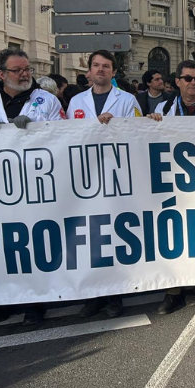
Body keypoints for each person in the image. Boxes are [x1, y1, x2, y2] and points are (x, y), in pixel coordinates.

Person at [0, 50, 62, 324]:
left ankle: (35, 301)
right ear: (2, 74)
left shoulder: (47, 100)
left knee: (32, 241)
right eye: (17, 70)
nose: (24, 74)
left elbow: (63, 134)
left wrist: (37, 128)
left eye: (27, 69)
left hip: (34, 181)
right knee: (2, 241)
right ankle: (5, 298)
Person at [69, 51, 142, 319]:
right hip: (86, 177)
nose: (100, 70)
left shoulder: (128, 100)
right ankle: (94, 295)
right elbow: (66, 135)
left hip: (116, 175)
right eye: (96, 65)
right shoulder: (76, 101)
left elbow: (139, 133)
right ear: (88, 71)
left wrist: (116, 126)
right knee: (90, 237)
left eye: (106, 66)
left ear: (113, 72)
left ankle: (115, 295)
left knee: (114, 234)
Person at [148, 60, 195, 314]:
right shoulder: (163, 108)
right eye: (188, 78)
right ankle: (172, 290)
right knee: (173, 233)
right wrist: (151, 122)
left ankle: (191, 286)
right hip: (172, 181)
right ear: (178, 81)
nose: (193, 83)